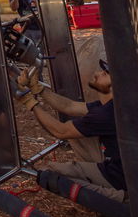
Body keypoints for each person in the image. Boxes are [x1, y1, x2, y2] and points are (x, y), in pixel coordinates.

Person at [17, 62, 125, 201]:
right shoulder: (110, 105)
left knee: (50, 174)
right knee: (78, 133)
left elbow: (61, 131)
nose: (97, 73)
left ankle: (116, 200)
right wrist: (38, 89)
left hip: (119, 177)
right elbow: (69, 106)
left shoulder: (106, 114)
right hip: (118, 169)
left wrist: (29, 102)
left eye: (104, 74)